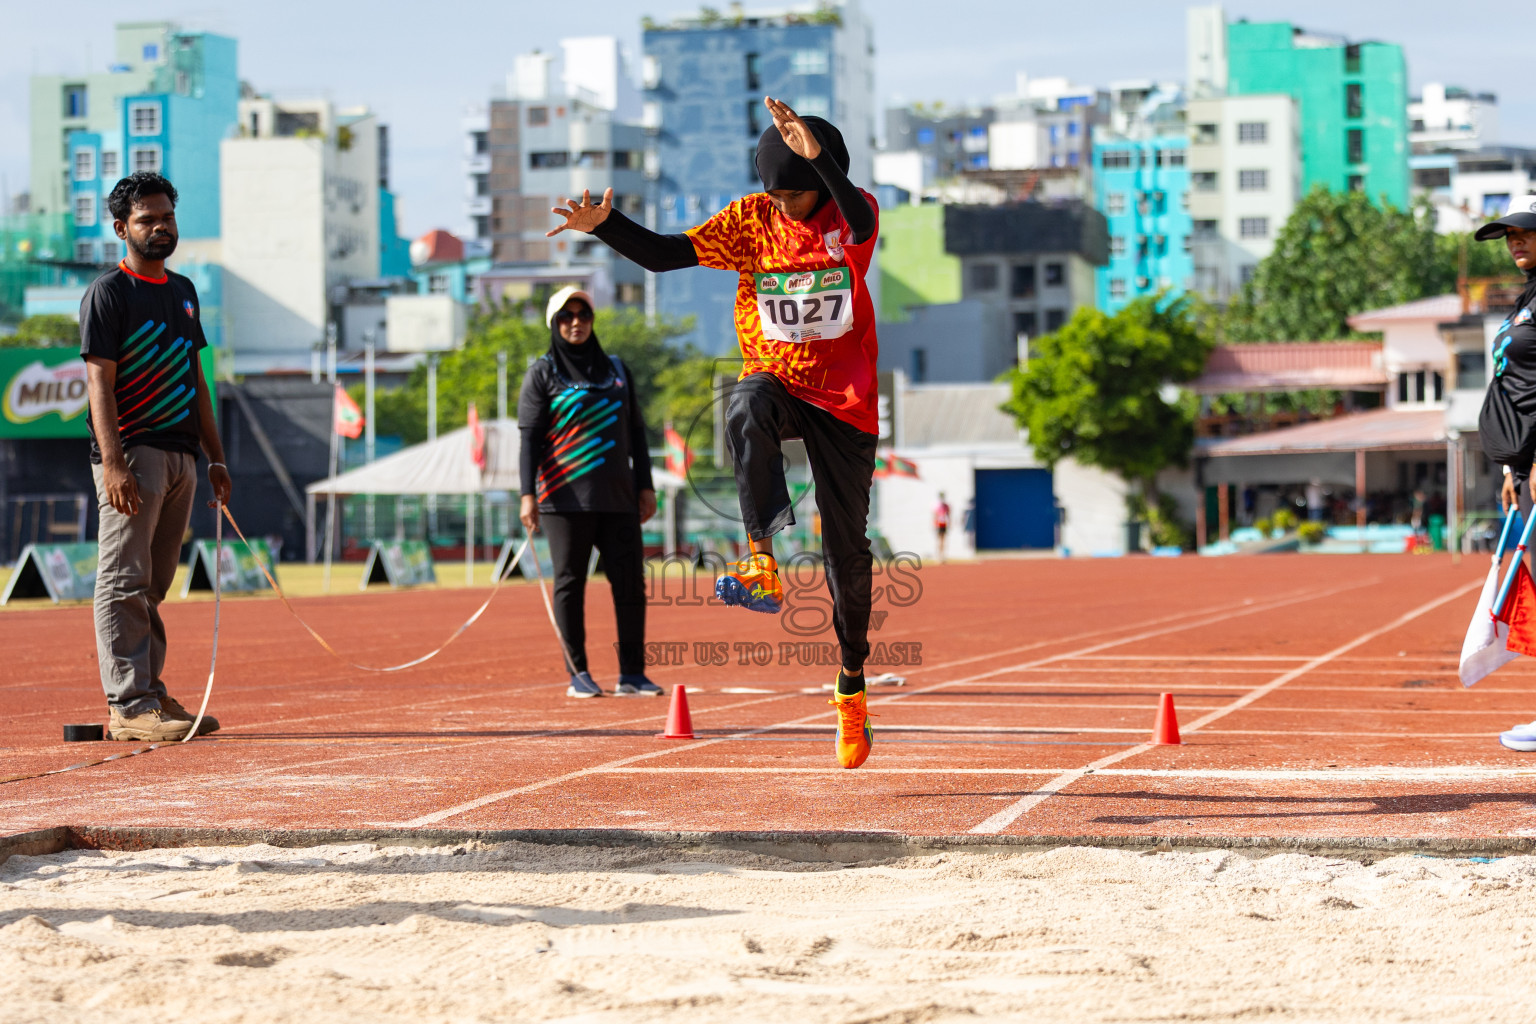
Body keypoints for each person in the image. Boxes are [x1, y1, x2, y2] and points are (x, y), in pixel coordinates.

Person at [547, 97, 879, 768]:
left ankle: (850, 682)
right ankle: (761, 560)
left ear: (822, 182)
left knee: (847, 550)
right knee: (743, 402)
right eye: (776, 193)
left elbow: (863, 216)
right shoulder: (751, 220)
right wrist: (608, 224)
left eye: (796, 194)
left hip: (843, 399)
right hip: (778, 378)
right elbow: (669, 256)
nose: (784, 206)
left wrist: (820, 162)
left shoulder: (849, 217)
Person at [82, 172, 232, 741]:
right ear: (122, 228)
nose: (161, 227)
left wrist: (214, 457)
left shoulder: (183, 291)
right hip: (133, 454)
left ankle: (151, 692)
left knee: (154, 582)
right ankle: (128, 704)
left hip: (181, 456)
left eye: (167, 217)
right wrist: (114, 462)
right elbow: (99, 383)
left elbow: (196, 379)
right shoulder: (108, 293)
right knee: (122, 577)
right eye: (147, 220)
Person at [518, 286, 662, 699]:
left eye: (583, 315)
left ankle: (632, 675)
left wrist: (646, 485)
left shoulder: (617, 369)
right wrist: (527, 495)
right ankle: (578, 674)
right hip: (563, 500)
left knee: (631, 584)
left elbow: (637, 432)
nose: (575, 323)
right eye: (566, 317)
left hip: (618, 499)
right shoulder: (542, 373)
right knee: (570, 583)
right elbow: (529, 440)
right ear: (554, 323)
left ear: (593, 321)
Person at [1479, 195, 1536, 751]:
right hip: (1522, 468)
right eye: (1508, 235)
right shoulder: (1528, 298)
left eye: (1524, 231)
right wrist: (1512, 466)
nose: (1514, 241)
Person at [933, 492, 951, 561]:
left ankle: (943, 555)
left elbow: (948, 515)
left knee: (944, 540)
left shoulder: (946, 506)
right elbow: (935, 515)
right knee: (939, 540)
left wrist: (949, 523)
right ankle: (938, 555)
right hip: (939, 524)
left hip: (944, 524)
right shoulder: (937, 506)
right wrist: (935, 524)